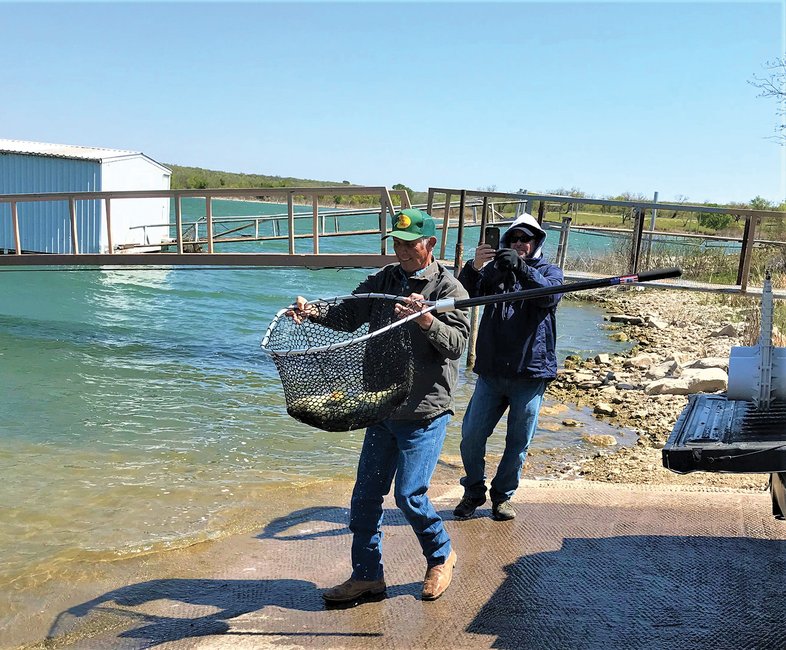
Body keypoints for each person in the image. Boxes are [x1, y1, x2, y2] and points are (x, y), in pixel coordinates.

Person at [288, 208, 470, 603]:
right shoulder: (384, 279)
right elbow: (347, 315)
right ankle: (367, 576)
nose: (402, 251)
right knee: (365, 497)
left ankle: (441, 556)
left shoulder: (449, 290)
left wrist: (426, 321)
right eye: (397, 243)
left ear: (430, 244)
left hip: (424, 411)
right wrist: (312, 311)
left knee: (410, 495)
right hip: (382, 405)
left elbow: (457, 345)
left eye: (410, 244)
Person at [453, 213, 563, 522]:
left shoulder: (549, 271)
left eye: (525, 239)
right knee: (471, 437)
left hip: (530, 372)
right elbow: (461, 297)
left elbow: (548, 297)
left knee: (517, 443)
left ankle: (502, 496)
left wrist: (521, 267)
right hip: (491, 371)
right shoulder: (494, 272)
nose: (518, 244)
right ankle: (473, 490)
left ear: (535, 242)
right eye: (513, 239)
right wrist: (475, 267)